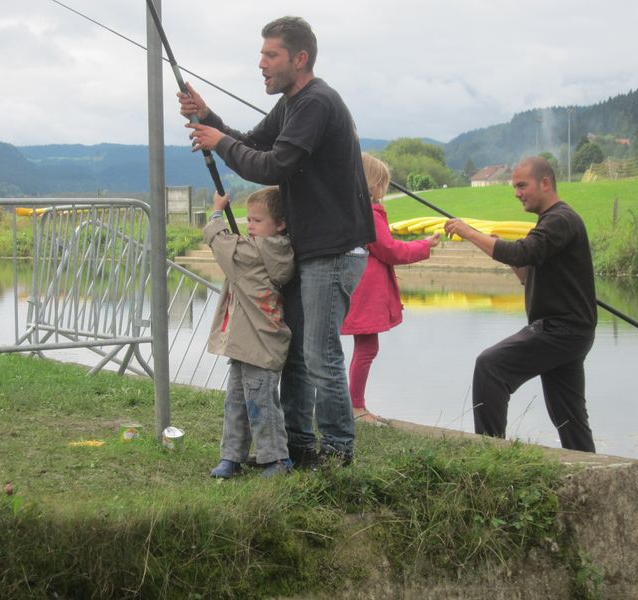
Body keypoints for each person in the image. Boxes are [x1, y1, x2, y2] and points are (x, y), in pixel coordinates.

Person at [179, 16, 375, 467]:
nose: (261, 64)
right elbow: (252, 143)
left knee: (319, 354)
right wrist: (208, 118)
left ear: (299, 58)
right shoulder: (292, 105)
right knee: (298, 355)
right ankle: (300, 446)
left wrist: (217, 141)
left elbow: (272, 166)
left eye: (271, 55)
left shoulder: (316, 102)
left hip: (334, 250)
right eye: (262, 55)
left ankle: (338, 452)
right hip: (311, 249)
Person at [444, 156, 597, 452]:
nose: (517, 193)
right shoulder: (552, 221)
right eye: (515, 187)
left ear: (545, 183)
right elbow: (527, 272)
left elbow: (520, 252)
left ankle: (490, 453)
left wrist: (469, 232)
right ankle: (588, 463)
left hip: (559, 330)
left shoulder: (560, 220)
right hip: (572, 333)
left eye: (522, 186)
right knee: (569, 417)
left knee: (490, 366)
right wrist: (509, 257)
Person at [204, 187, 295, 478]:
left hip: (258, 346)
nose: (249, 225)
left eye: (257, 220)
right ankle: (232, 457)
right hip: (247, 344)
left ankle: (277, 460)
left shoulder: (252, 253)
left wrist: (217, 212)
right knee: (236, 401)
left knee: (261, 404)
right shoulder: (278, 249)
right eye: (248, 220)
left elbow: (218, 241)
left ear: (280, 224)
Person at [341, 155, 440, 423]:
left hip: (356, 287)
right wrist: (424, 245)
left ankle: (352, 404)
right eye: (382, 184)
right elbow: (390, 250)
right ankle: (356, 407)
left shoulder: (350, 209)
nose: (383, 190)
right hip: (367, 292)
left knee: (362, 347)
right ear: (372, 185)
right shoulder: (370, 214)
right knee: (367, 348)